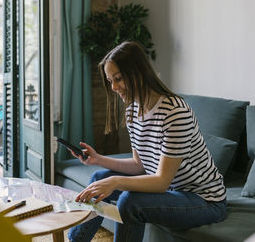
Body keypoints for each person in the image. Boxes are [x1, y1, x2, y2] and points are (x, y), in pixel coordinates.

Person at [68, 41, 227, 242]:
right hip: (172, 192)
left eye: (118, 78)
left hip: (204, 201)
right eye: (110, 81)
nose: (114, 87)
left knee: (129, 201)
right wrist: (98, 159)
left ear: (138, 72)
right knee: (98, 179)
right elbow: (138, 165)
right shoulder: (133, 110)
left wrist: (116, 182)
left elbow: (161, 181)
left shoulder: (175, 112)